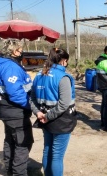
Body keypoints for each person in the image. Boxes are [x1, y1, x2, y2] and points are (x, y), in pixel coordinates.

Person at [29, 48, 77, 176]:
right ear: (64, 61)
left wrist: (38, 113)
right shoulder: (63, 77)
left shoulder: (39, 74)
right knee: (57, 156)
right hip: (61, 120)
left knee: (47, 150)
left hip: (44, 117)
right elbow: (64, 104)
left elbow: (32, 98)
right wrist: (48, 116)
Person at [0, 40, 33, 176]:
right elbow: (16, 94)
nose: (21, 53)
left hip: (6, 110)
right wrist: (31, 106)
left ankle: (10, 170)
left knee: (10, 141)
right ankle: (18, 173)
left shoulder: (2, 64)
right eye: (20, 50)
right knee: (23, 143)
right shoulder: (10, 67)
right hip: (15, 112)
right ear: (14, 51)